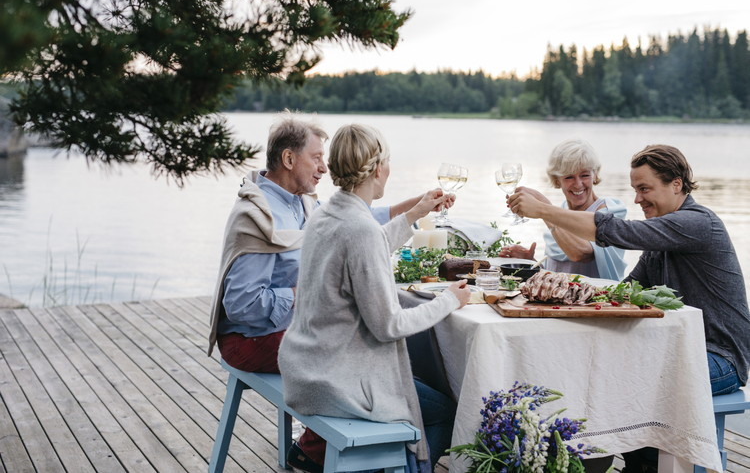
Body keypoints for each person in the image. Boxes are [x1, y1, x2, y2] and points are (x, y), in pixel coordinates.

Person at [206, 114, 454, 472]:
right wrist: (308, 292)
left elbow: (362, 226)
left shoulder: (308, 207)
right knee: (396, 365)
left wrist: (416, 210)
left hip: (300, 340)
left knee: (393, 358)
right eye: (316, 157)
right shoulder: (260, 213)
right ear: (289, 159)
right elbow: (243, 306)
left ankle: (319, 451)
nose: (323, 168)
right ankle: (338, 452)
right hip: (255, 339)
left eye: (326, 158)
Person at [508, 144, 750, 473]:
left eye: (645, 189)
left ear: (676, 184)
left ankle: (635, 466)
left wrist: (545, 211)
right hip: (679, 351)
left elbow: (619, 231)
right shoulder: (662, 241)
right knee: (601, 374)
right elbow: (626, 291)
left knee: (631, 386)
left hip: (722, 359)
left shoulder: (697, 223)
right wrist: (548, 286)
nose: (637, 199)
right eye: (636, 190)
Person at [278, 123, 471, 473]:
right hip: (335, 379)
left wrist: (415, 214)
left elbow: (368, 247)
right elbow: (389, 326)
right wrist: (448, 302)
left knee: (423, 393)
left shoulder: (327, 213)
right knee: (446, 414)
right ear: (379, 168)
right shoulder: (359, 228)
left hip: (306, 363)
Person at [499, 139, 627, 280]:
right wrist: (531, 262)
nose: (578, 184)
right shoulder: (560, 211)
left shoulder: (610, 211)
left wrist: (543, 207)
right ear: (556, 180)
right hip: (561, 300)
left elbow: (581, 254)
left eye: (584, 175)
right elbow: (557, 274)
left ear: (595, 175)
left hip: (595, 300)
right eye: (569, 177)